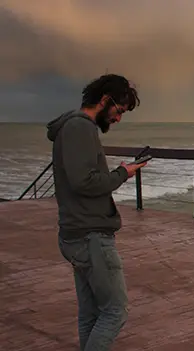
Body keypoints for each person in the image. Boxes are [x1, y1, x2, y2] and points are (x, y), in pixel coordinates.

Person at [46, 74, 144, 351]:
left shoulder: (74, 127)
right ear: (104, 101)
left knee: (91, 313)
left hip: (78, 234)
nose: (118, 119)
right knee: (115, 311)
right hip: (90, 236)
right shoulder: (81, 128)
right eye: (119, 111)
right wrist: (122, 173)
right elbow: (84, 181)